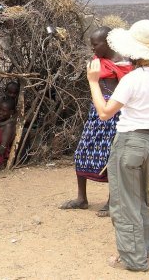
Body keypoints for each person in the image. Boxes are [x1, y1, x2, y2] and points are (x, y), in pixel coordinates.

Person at [86, 20, 149, 271]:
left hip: (130, 142)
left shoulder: (132, 80)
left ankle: (133, 259)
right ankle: (144, 245)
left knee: (124, 203)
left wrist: (93, 81)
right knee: (139, 196)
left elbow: (104, 113)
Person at [59, 27, 132, 216]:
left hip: (116, 114)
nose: (92, 49)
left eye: (95, 45)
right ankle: (81, 198)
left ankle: (111, 200)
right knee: (82, 151)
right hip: (96, 112)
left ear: (107, 43)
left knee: (111, 157)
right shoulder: (97, 62)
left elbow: (127, 91)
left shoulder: (124, 63)